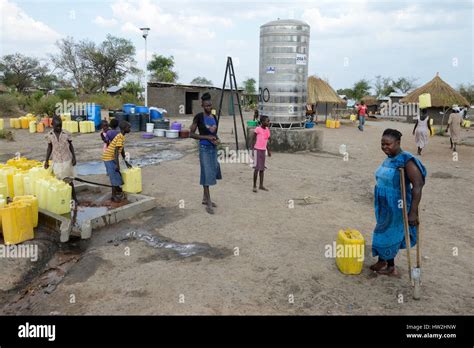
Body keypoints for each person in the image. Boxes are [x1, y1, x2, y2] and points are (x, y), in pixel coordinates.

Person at [370, 129, 426, 276]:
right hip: (384, 205)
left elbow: (418, 185)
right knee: (382, 231)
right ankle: (383, 261)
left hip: (397, 205)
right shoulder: (389, 158)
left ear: (398, 143)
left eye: (388, 144)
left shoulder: (406, 160)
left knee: (392, 234)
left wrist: (413, 212)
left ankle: (391, 267)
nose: (384, 147)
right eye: (382, 144)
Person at [190, 92, 222, 214]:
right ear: (202, 105)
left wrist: (216, 139)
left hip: (213, 148)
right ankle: (208, 201)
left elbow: (214, 134)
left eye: (210, 105)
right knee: (206, 172)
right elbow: (191, 134)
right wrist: (207, 138)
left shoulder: (214, 117)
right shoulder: (198, 117)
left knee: (213, 170)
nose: (209, 108)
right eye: (207, 106)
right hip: (204, 148)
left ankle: (204, 198)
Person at [44, 116, 78, 202]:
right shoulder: (49, 136)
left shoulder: (66, 134)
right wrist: (46, 160)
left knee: (69, 180)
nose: (59, 128)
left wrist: (74, 157)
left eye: (60, 126)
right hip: (57, 161)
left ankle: (74, 198)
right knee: (59, 182)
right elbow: (49, 148)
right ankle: (63, 200)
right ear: (52, 125)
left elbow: (71, 146)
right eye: (57, 126)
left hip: (67, 160)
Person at [102, 120, 132, 202]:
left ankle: (118, 190)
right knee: (114, 177)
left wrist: (126, 162)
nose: (130, 129)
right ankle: (113, 196)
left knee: (116, 175)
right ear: (124, 128)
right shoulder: (119, 137)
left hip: (110, 157)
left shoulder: (121, 136)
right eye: (129, 127)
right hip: (108, 158)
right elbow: (116, 152)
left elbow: (121, 150)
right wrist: (117, 165)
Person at [251, 115, 271, 192]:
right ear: (262, 122)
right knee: (256, 169)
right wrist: (252, 149)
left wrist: (268, 150)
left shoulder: (267, 130)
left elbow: (267, 141)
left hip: (263, 151)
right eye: (267, 121)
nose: (268, 122)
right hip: (257, 150)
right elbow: (253, 139)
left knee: (262, 169)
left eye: (268, 121)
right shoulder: (257, 129)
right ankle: (254, 186)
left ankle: (261, 185)